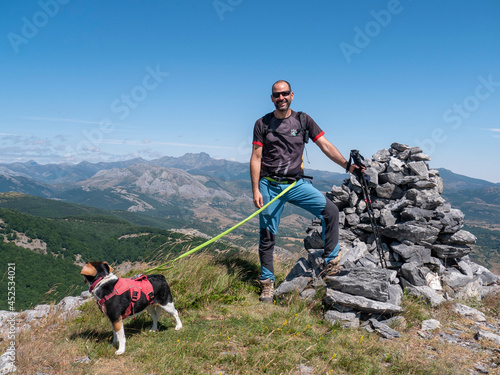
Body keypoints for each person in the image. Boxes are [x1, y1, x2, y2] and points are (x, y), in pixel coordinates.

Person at [250, 80, 362, 303]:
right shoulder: (262, 123)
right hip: (269, 184)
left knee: (330, 211)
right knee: (267, 235)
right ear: (271, 98)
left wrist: (347, 166)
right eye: (276, 95)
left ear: (292, 95)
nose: (281, 98)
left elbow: (325, 145)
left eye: (284, 94)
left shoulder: (303, 120)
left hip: (296, 184)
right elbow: (256, 156)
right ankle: (267, 283)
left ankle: (331, 263)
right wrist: (256, 189)